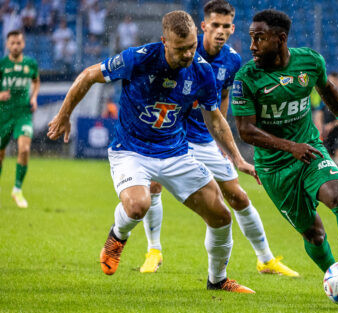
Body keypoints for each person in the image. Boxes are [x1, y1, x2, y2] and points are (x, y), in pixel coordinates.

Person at [47, 10, 257, 294]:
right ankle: (117, 236)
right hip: (131, 151)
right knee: (137, 205)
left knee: (221, 215)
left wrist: (237, 157)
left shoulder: (202, 70)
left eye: (192, 47)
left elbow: (215, 118)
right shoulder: (139, 58)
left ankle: (217, 280)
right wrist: (64, 115)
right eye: (181, 49)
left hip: (175, 153)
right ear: (164, 41)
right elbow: (88, 76)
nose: (188, 55)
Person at [231, 9, 338, 304]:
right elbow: (246, 131)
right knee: (313, 234)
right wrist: (290, 147)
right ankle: (336, 278)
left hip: (310, 150)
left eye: (259, 38)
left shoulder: (309, 62)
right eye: (251, 38)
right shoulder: (246, 78)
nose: (252, 45)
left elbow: (327, 89)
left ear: (280, 38)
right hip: (275, 167)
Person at [140, 0, 298, 278]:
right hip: (172, 133)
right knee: (153, 184)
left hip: (203, 139)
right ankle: (154, 250)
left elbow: (223, 98)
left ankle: (266, 259)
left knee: (237, 195)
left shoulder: (233, 60)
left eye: (226, 26)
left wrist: (221, 143)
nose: (220, 31)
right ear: (203, 26)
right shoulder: (184, 48)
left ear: (233, 27)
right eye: (214, 25)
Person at [0, 30, 40, 208]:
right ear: (7, 45)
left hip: (23, 113)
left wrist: (34, 97)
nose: (15, 46)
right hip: (4, 114)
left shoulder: (31, 63)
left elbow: (36, 81)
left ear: (23, 44)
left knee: (24, 149)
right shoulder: (2, 64)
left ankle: (17, 189)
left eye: (18, 42)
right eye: (12, 43)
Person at [313, 72, 338, 176]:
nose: (330, 83)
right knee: (328, 159)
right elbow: (319, 113)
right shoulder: (323, 95)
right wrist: (320, 128)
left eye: (333, 81)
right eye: (329, 81)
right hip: (326, 131)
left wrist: (332, 125)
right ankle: (332, 180)